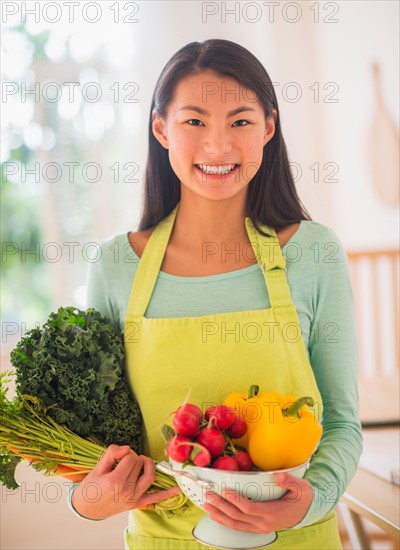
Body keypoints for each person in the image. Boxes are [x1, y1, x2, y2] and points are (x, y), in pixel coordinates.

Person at [70, 39, 362, 549]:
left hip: (295, 539)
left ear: (269, 127)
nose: (219, 147)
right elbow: (89, 450)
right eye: (195, 121)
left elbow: (340, 422)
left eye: (241, 121)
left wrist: (307, 503)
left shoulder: (315, 253)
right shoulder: (117, 266)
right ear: (161, 129)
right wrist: (89, 500)